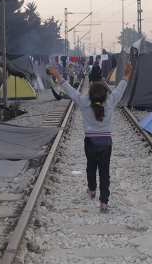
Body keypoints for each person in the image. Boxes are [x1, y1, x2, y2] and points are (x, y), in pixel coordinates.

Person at [47, 62, 132, 213]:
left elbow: (70, 90)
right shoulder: (111, 102)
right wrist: (127, 75)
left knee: (91, 166)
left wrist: (58, 75)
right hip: (106, 142)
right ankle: (104, 203)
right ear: (106, 94)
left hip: (90, 142)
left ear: (90, 94)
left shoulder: (84, 102)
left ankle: (92, 190)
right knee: (104, 171)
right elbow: (120, 88)